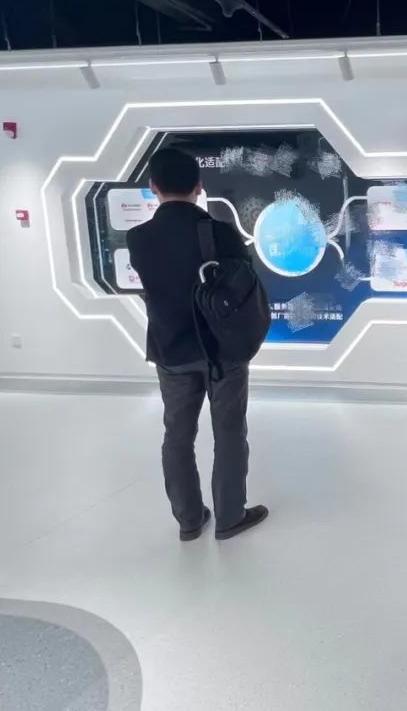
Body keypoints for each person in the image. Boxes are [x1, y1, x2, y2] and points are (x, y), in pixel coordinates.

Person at [126, 148, 269, 542]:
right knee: (229, 433)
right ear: (199, 186)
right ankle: (230, 516)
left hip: (170, 350)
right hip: (222, 351)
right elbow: (245, 285)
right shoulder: (221, 232)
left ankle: (189, 520)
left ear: (153, 186)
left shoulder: (138, 238)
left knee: (176, 435)